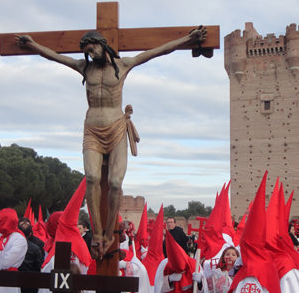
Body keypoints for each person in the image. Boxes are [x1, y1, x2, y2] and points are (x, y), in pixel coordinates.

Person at [16, 27, 207, 258]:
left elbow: (157, 51)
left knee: (115, 183)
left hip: (116, 128)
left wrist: (188, 39)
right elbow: (55, 56)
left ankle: (109, 232)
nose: (91, 53)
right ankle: (97, 233)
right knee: (93, 179)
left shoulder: (124, 65)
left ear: (103, 44)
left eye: (93, 47)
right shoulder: (84, 68)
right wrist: (33, 45)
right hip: (92, 131)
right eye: (86, 50)